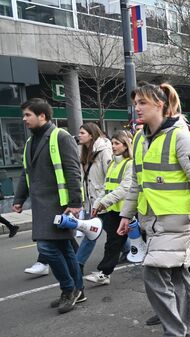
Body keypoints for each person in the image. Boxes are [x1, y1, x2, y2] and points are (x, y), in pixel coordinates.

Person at [117, 83, 190, 337]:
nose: (137, 107)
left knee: (153, 272)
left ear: (159, 104)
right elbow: (137, 181)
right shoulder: (139, 138)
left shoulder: (180, 136)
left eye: (143, 103)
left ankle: (175, 332)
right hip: (152, 220)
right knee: (179, 275)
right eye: (136, 102)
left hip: (177, 219)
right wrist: (126, 214)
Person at [13, 98, 83, 314]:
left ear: (42, 115)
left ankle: (68, 289)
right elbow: (27, 173)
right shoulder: (29, 143)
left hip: (58, 206)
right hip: (41, 205)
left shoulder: (60, 136)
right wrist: (18, 198)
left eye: (28, 115)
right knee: (64, 249)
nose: (24, 119)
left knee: (46, 248)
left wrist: (75, 202)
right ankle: (77, 289)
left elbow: (73, 170)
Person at [82, 130, 133, 285]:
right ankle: (104, 273)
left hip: (127, 210)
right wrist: (98, 203)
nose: (113, 146)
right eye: (112, 143)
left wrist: (104, 202)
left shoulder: (130, 164)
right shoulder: (112, 163)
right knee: (113, 242)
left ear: (125, 146)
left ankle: (185, 261)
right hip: (113, 210)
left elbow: (124, 189)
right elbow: (106, 187)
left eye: (117, 143)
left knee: (146, 239)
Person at [75, 122, 113, 274]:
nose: (79, 135)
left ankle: (77, 263)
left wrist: (103, 200)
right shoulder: (83, 151)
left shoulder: (104, 151)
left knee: (92, 232)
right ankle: (129, 248)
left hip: (102, 200)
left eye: (82, 133)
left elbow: (109, 178)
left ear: (91, 135)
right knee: (111, 232)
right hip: (91, 200)